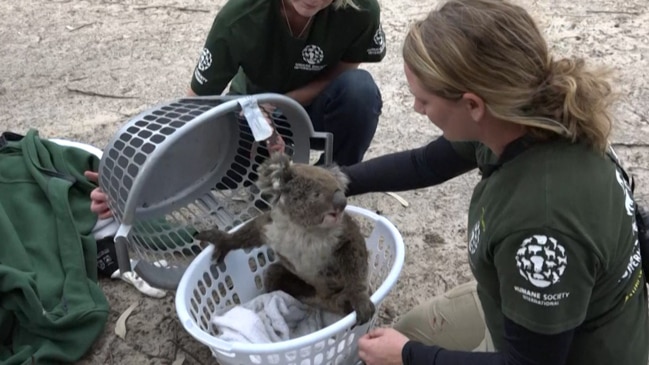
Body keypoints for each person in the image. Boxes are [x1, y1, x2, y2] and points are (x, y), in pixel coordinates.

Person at [341, 0, 649, 364]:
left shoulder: (540, 222)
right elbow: (424, 164)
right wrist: (334, 182)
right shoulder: (525, 116)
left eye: (423, 99)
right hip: (521, 314)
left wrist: (408, 356)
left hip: (573, 353)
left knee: (390, 352)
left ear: (472, 105)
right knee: (404, 330)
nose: (416, 110)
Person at [189, 0, 387, 167]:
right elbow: (195, 101)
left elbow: (345, 70)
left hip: (315, 108)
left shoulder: (361, 9)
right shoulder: (239, 15)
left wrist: (280, 103)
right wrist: (254, 113)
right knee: (216, 163)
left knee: (361, 91)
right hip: (252, 107)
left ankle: (334, 177)